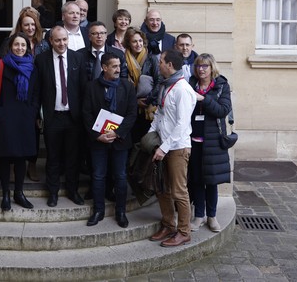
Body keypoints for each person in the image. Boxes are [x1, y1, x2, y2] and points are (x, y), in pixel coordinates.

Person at [82, 53, 137, 228]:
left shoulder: (127, 87)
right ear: (104, 67)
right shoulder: (91, 87)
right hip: (98, 140)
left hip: (120, 141)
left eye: (119, 66)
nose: (118, 69)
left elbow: (131, 114)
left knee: (120, 176)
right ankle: (98, 210)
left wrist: (117, 133)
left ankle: (120, 212)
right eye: (113, 66)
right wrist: (98, 135)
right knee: (98, 176)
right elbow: (86, 113)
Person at [148, 48, 197, 247]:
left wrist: (164, 148)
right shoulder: (166, 86)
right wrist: (151, 136)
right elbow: (160, 115)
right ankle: (168, 225)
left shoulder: (182, 89)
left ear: (170, 65)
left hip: (177, 148)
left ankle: (184, 232)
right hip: (163, 144)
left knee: (179, 192)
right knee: (162, 189)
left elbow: (182, 124)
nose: (158, 64)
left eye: (161, 61)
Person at [36, 26, 87, 207]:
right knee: (53, 157)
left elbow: (83, 88)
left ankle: (72, 191)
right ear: (50, 41)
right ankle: (53, 192)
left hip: (73, 117)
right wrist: (39, 115)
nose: (61, 43)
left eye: (64, 39)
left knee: (73, 157)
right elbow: (37, 90)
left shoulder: (77, 58)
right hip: (52, 117)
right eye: (57, 40)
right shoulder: (41, 60)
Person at [0, 33, 40, 211]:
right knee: (5, 157)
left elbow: (36, 94)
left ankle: (19, 193)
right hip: (5, 117)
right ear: (10, 46)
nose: (20, 48)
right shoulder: (0, 65)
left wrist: (33, 112)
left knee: (21, 157)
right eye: (16, 45)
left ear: (28, 48)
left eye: (23, 45)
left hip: (25, 118)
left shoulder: (33, 67)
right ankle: (6, 195)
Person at [187, 53, 232, 232]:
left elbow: (223, 110)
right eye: (198, 66)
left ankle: (212, 217)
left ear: (212, 67)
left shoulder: (221, 85)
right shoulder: (191, 84)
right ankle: (199, 216)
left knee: (211, 181)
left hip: (213, 141)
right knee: (196, 179)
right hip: (194, 140)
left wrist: (204, 99)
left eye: (205, 66)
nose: (201, 69)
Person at [122, 27, 161, 142]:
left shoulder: (152, 58)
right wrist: (135, 101)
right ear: (128, 43)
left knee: (147, 141)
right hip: (130, 106)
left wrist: (148, 100)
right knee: (133, 140)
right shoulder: (123, 59)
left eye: (140, 41)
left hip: (149, 107)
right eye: (134, 41)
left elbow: (159, 81)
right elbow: (122, 84)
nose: (138, 44)